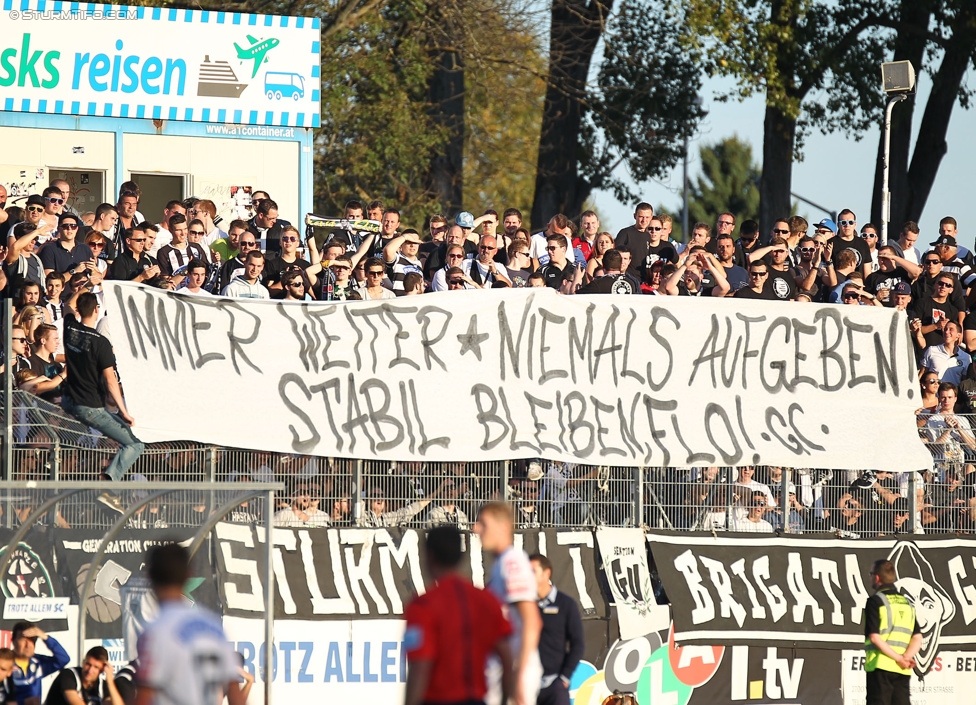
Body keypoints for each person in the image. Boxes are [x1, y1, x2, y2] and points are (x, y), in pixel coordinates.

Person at [403, 526, 513, 705]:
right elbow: (508, 660)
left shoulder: (422, 606)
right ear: (461, 557)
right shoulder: (486, 601)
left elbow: (420, 667)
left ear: (429, 556)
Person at [62, 292, 144, 512]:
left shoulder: (69, 327)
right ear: (97, 310)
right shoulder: (101, 343)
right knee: (135, 443)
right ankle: (109, 488)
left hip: (69, 401)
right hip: (90, 408)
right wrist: (124, 412)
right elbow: (110, 380)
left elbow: (67, 304)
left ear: (79, 310)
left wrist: (84, 285)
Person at [135, 543, 243, 705]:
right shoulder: (214, 627)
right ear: (188, 575)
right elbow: (234, 691)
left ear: (150, 576)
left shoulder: (156, 632)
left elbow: (145, 695)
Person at [474, 502, 543, 705]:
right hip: (502, 671)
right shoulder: (501, 563)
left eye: (483, 523)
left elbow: (532, 621)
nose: (475, 528)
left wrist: (518, 676)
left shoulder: (512, 562)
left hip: (513, 671)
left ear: (503, 527)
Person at [863, 559, 922, 705]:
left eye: (871, 574)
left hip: (880, 666)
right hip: (902, 670)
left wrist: (898, 658)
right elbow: (918, 637)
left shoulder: (875, 601)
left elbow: (875, 637)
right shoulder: (906, 603)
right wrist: (905, 657)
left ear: (877, 577)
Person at [529, 554, 584, 705]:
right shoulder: (525, 605)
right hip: (527, 687)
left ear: (547, 573)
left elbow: (578, 644)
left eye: (533, 571)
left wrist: (564, 678)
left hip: (554, 686)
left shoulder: (566, 604)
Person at [9, 623, 69, 705]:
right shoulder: (4, 663)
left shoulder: (38, 662)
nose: (28, 645)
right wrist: (23, 702)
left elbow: (63, 659)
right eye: (23, 639)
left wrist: (44, 636)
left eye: (32, 640)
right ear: (13, 641)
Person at [44, 646, 122, 705]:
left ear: (102, 670)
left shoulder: (102, 685)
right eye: (88, 664)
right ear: (83, 662)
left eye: (96, 667)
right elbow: (74, 701)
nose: (90, 670)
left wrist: (110, 682)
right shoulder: (69, 675)